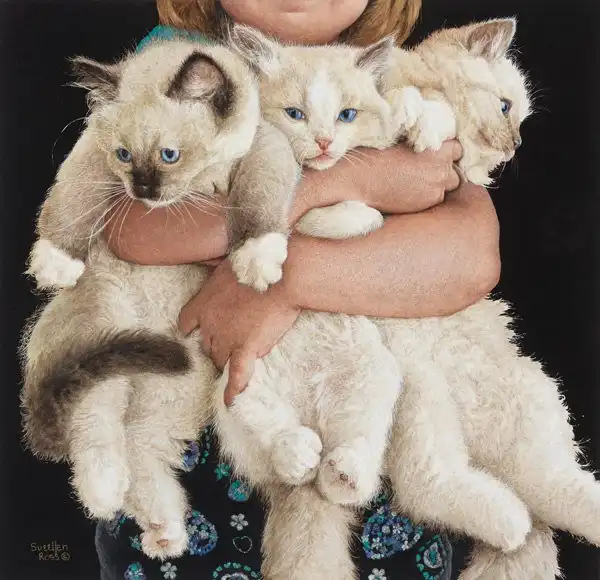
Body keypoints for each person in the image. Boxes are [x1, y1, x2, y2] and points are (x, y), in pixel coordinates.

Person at [96, 1, 500, 579]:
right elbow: (132, 229)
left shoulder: (401, 74)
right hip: (202, 468)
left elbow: (472, 256)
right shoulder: (177, 66)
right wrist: (344, 179)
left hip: (374, 468)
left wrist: (287, 285)